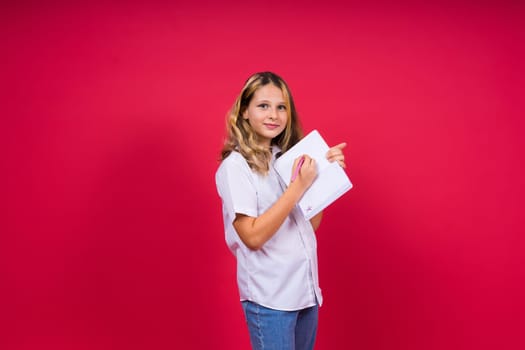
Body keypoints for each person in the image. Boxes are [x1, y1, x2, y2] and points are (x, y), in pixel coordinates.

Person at [215, 72, 346, 350]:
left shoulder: (285, 159)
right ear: (245, 112)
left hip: (305, 292)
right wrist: (298, 187)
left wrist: (324, 178)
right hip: (270, 298)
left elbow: (307, 226)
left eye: (281, 107)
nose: (273, 114)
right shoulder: (235, 166)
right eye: (263, 105)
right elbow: (251, 237)